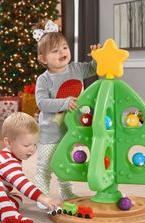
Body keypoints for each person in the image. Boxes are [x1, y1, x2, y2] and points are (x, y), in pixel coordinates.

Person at [33, 20, 100, 209]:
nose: (62, 52)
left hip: (72, 129)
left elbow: (95, 68)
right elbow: (41, 102)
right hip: (50, 132)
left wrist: (97, 57)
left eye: (64, 47)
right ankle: (42, 196)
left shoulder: (77, 68)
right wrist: (64, 102)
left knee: (65, 162)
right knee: (45, 166)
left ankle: (66, 190)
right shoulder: (44, 79)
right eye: (55, 51)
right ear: (43, 59)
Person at [0, 112, 61, 223]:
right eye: (26, 145)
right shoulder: (6, 160)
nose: (32, 150)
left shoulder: (13, 157)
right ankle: (9, 216)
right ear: (8, 143)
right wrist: (43, 198)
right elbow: (22, 183)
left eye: (35, 145)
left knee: (17, 198)